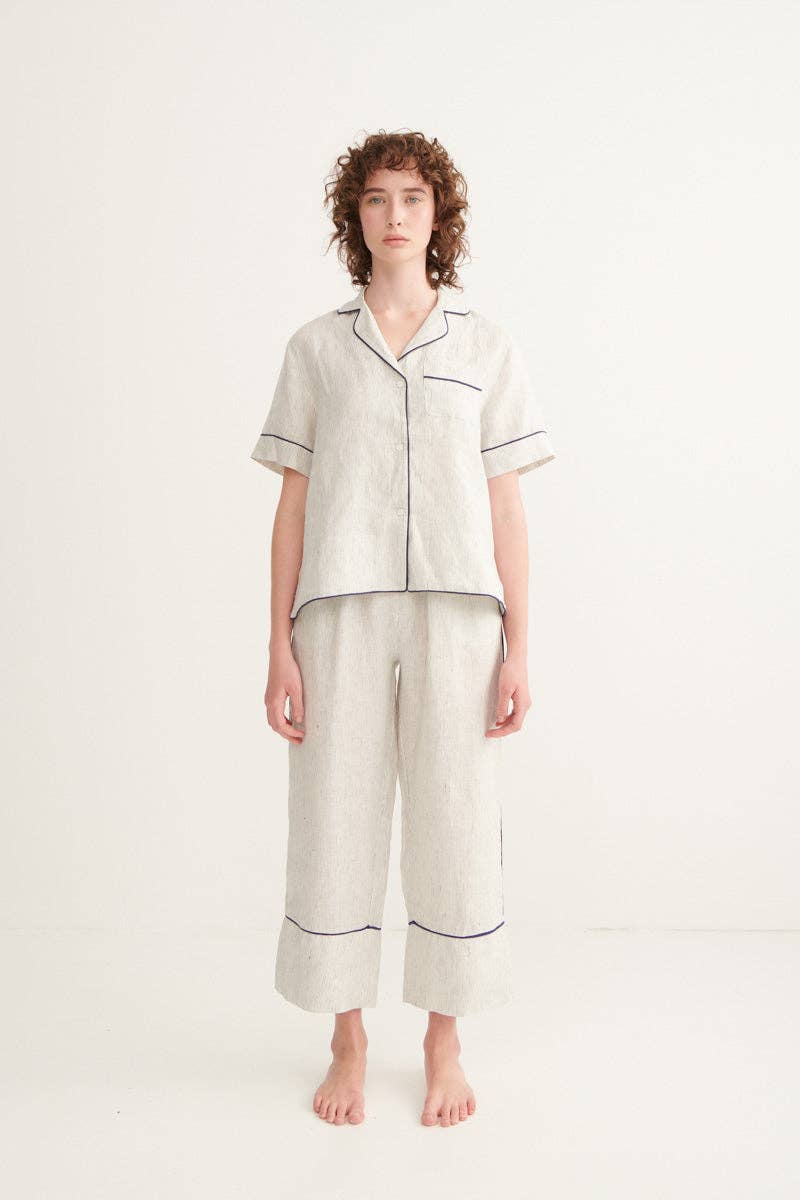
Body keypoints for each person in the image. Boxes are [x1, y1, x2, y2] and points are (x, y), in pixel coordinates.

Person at [250, 130, 555, 1128]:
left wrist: (519, 645)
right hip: (338, 610)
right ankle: (346, 1036)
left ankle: (442, 1038)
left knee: (455, 820)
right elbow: (292, 505)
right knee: (332, 815)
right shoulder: (315, 348)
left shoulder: (485, 346)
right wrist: (277, 642)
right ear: (356, 216)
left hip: (459, 613)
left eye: (412, 198)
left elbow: (505, 506)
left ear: (437, 216)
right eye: (376, 198)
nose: (394, 215)